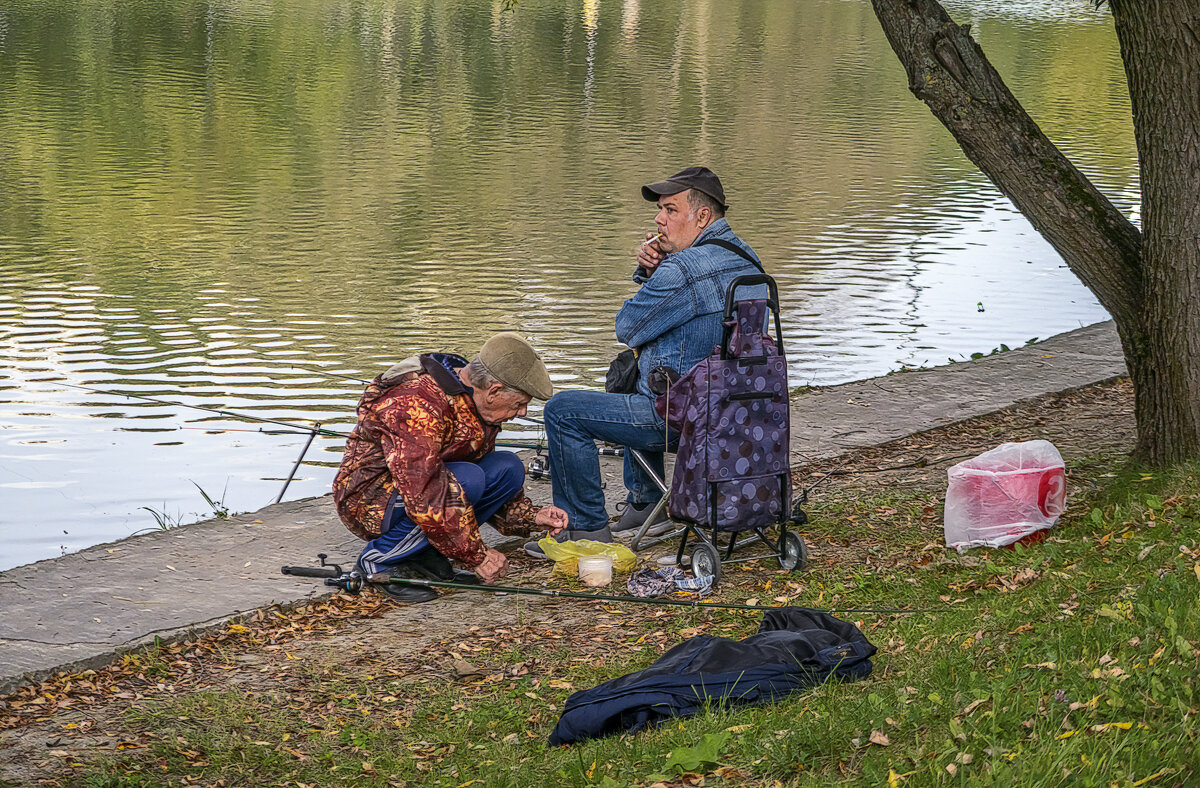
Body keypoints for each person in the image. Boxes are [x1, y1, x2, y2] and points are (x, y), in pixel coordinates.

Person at [528, 167, 765, 558]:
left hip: (683, 419)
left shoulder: (683, 269)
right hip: (738, 411)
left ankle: (586, 531)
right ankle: (644, 505)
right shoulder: (747, 258)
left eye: (670, 210)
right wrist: (655, 272)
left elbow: (628, 327)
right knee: (639, 377)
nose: (659, 219)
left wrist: (655, 273)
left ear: (702, 217)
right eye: (660, 209)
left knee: (562, 410)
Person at [334, 332, 569, 602]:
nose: (523, 413)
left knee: (508, 467)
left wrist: (531, 516)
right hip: (369, 499)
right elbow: (424, 489)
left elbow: (473, 473)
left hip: (430, 491)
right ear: (493, 390)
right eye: (520, 404)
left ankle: (426, 555)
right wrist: (476, 555)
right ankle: (379, 560)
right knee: (468, 479)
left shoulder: (475, 400)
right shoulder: (416, 401)